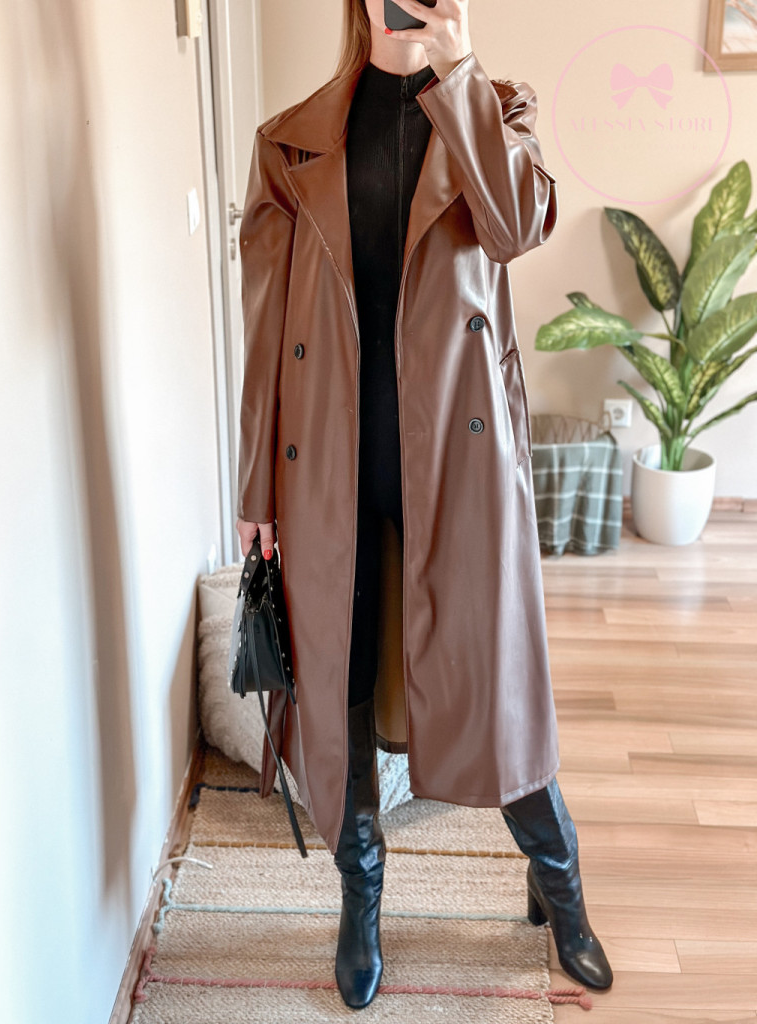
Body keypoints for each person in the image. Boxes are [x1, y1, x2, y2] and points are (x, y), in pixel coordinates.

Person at [235, 0, 613, 1010]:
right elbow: (265, 334)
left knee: (498, 682)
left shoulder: (496, 106)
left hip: (460, 460)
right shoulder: (290, 142)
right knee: (343, 687)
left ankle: (559, 883)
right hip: (330, 467)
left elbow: (517, 226)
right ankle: (361, 896)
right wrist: (255, 488)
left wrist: (460, 72)